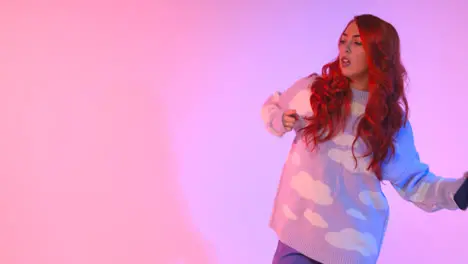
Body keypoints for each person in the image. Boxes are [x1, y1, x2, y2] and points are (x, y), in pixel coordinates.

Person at [261, 14, 468, 264]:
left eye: (357, 43)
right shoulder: (314, 92)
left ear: (379, 53)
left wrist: (456, 192)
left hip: (351, 252)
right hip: (296, 240)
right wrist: (279, 118)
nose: (345, 48)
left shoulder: (389, 121)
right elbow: (273, 106)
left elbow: (414, 181)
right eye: (343, 40)